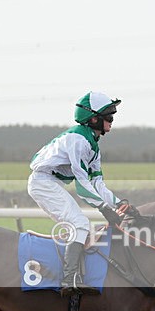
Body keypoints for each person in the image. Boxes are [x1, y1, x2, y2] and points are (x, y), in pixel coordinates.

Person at [27, 91, 125, 295]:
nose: (112, 120)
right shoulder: (78, 140)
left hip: (51, 182)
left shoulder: (93, 146)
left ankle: (76, 275)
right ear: (94, 118)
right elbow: (82, 186)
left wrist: (120, 203)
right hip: (42, 182)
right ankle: (69, 278)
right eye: (108, 116)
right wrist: (105, 209)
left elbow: (97, 183)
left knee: (83, 227)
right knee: (79, 224)